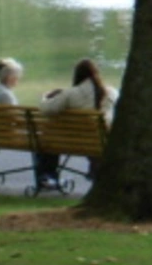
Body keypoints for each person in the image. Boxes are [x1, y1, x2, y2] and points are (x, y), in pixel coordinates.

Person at [37, 58, 113, 189]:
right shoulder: (108, 93)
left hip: (73, 140)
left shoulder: (71, 94)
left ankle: (48, 176)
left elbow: (46, 109)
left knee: (48, 137)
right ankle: (96, 171)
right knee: (95, 139)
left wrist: (45, 97)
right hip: (99, 141)